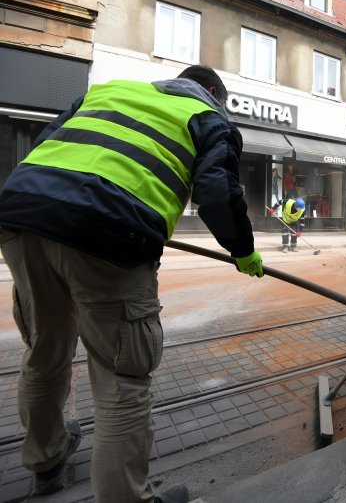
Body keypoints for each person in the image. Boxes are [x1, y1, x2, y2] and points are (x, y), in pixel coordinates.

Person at [0, 65, 263, 503]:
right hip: (107, 230)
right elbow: (215, 192)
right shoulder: (211, 118)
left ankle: (46, 462)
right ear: (215, 93)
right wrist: (242, 249)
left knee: (44, 349)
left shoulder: (107, 92)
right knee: (121, 377)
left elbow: (50, 145)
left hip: (23, 213)